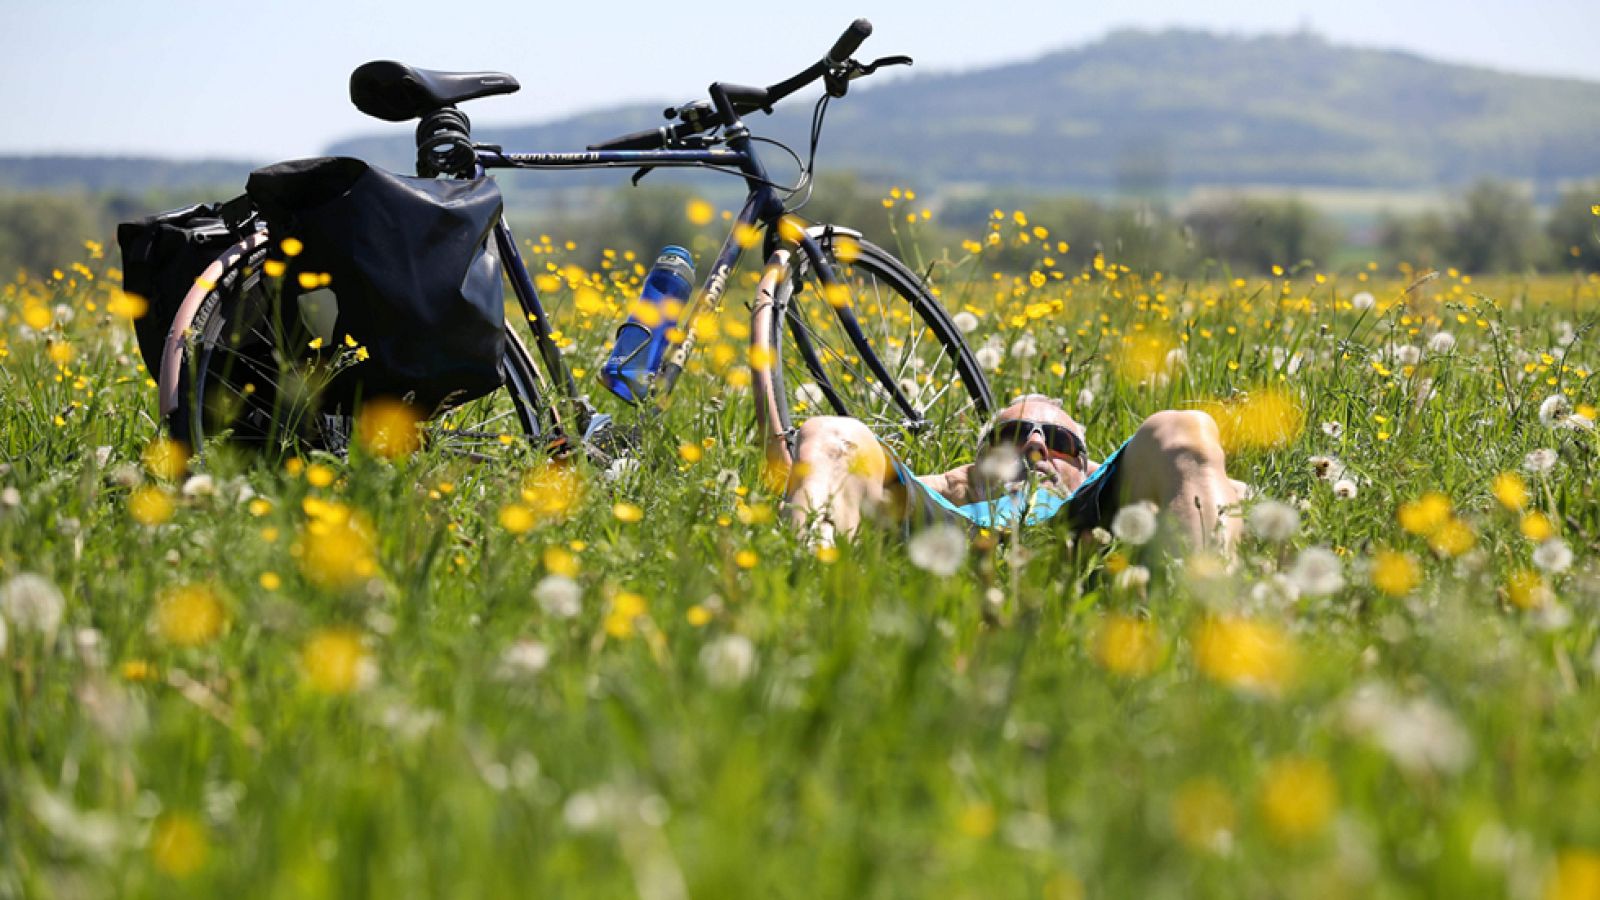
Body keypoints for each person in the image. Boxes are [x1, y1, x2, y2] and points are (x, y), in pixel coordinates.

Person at [782, 394, 1247, 550]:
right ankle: (801, 609)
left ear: (1087, 469)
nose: (1036, 445)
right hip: (954, 532)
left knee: (1187, 427)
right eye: (1012, 436)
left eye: (1060, 443)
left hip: (1082, 525)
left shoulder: (1095, 488)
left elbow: (1200, 481)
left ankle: (1211, 618)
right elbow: (837, 479)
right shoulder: (952, 492)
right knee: (831, 432)